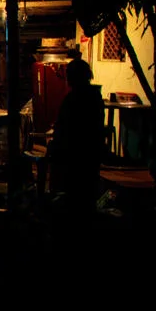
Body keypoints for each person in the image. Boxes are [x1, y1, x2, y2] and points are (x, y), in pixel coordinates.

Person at [49, 58, 105, 216]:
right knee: (86, 196)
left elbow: (66, 128)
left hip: (75, 154)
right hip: (90, 154)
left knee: (75, 195)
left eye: (69, 74)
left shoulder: (74, 99)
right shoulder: (95, 97)